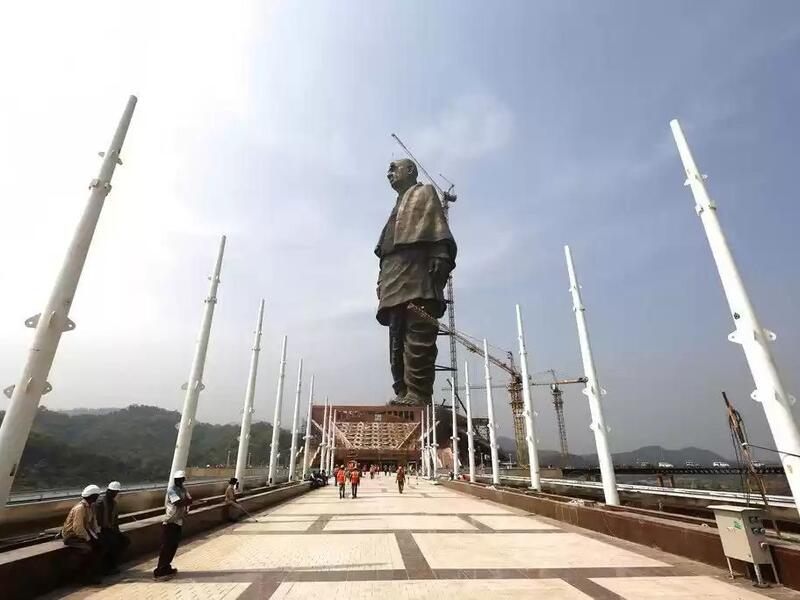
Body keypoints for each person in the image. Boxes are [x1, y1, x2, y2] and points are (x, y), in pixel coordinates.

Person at [375, 158, 457, 406]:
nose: (388, 172)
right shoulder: (396, 206)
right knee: (396, 341)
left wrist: (440, 255)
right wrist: (381, 277)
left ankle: (419, 394)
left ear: (410, 170)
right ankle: (402, 390)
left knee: (418, 335)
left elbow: (437, 226)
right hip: (393, 274)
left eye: (393, 167)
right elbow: (385, 248)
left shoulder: (425, 192)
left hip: (417, 271)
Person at [61, 484, 105, 583]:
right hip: (72, 536)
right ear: (92, 496)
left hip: (83, 535)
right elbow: (78, 528)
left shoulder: (90, 507)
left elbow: (93, 523)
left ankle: (95, 573)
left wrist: (98, 535)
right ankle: (84, 577)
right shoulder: (80, 508)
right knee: (87, 550)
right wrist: (88, 539)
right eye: (97, 496)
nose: (98, 498)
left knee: (100, 546)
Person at [154, 470, 193, 579]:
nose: (179, 481)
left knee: (173, 546)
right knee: (166, 546)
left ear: (183, 480)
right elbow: (178, 502)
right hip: (170, 521)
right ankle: (159, 570)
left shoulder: (184, 490)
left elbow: (190, 500)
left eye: (180, 479)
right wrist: (185, 501)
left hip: (178, 521)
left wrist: (185, 501)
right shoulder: (171, 490)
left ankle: (166, 567)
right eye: (177, 480)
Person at [93, 481, 130, 575]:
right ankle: (108, 567)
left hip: (110, 530)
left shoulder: (114, 504)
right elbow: (96, 520)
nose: (113, 494)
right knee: (110, 544)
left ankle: (112, 565)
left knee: (124, 541)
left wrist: (118, 532)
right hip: (101, 530)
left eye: (115, 492)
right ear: (107, 491)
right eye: (112, 492)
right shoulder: (100, 503)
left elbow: (115, 520)